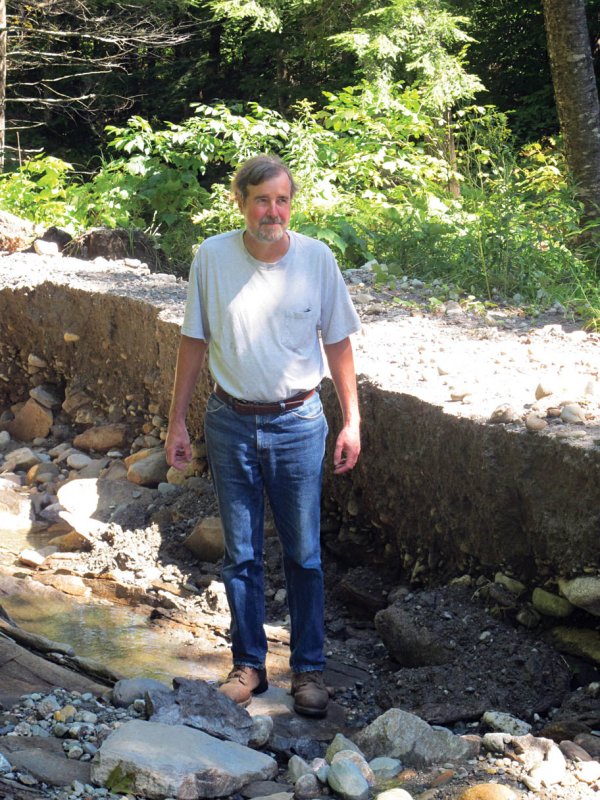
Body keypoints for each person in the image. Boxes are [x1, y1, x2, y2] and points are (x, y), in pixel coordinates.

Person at [165, 154, 361, 718]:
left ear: (290, 205)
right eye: (261, 199)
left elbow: (339, 343)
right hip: (229, 421)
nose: (272, 211)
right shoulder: (213, 256)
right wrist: (177, 421)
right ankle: (248, 666)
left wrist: (352, 420)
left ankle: (309, 672)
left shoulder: (316, 260)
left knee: (304, 555)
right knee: (242, 554)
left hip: (299, 423)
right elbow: (193, 341)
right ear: (240, 201)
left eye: (281, 200)